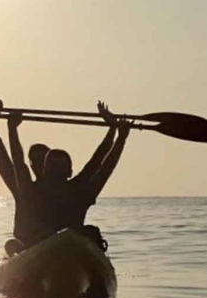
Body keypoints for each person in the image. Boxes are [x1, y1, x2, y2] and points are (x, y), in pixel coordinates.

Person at [19, 101, 131, 250]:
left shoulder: (80, 194)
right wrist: (7, 128)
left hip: (74, 248)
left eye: (60, 166)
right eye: (53, 166)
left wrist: (119, 137)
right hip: (42, 247)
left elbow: (103, 166)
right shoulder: (31, 192)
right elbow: (15, 160)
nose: (56, 170)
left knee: (92, 232)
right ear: (44, 171)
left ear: (69, 173)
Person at [0, 96, 41, 251]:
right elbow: (1, 159)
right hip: (27, 245)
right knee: (12, 246)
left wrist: (113, 131)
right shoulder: (24, 189)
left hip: (58, 244)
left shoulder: (71, 188)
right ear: (32, 166)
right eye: (37, 161)